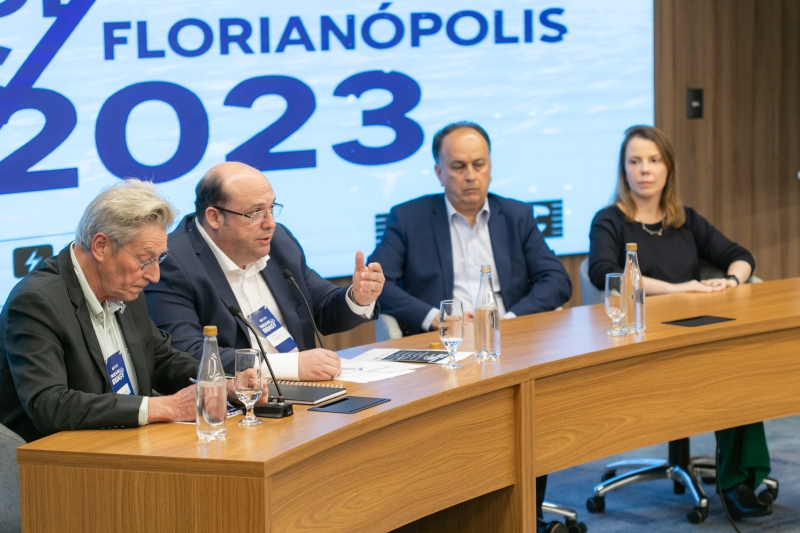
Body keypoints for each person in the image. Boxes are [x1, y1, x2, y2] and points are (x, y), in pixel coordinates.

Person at [368, 121, 571, 533]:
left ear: (491, 167)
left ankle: (525, 515)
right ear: (439, 171)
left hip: (509, 344)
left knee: (532, 415)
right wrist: (434, 317)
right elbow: (379, 282)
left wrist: (507, 321)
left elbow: (556, 279)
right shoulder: (408, 218)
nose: (470, 175)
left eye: (479, 164)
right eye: (458, 166)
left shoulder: (516, 215)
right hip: (443, 349)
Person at [589, 125, 771, 520]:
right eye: (635, 161)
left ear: (668, 168)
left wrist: (733, 280)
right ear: (623, 170)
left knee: (741, 367)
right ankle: (736, 481)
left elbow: (740, 255)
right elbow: (604, 271)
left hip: (694, 333)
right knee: (724, 373)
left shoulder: (684, 219)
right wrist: (680, 289)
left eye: (654, 161)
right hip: (640, 341)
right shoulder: (610, 220)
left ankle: (741, 481)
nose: (645, 170)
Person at [0, 180, 221, 443]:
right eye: (145, 259)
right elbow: (50, 405)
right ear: (101, 246)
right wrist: (162, 407)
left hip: (126, 442)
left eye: (159, 259)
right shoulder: (36, 302)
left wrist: (219, 383)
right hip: (59, 462)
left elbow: (162, 359)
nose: (154, 275)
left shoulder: (125, 287)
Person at [145, 162, 384, 381]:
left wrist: (357, 298)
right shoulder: (172, 262)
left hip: (308, 394)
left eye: (271, 208)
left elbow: (320, 308)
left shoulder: (279, 241)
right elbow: (187, 354)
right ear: (214, 217)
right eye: (255, 213)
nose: (270, 223)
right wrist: (291, 366)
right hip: (237, 405)